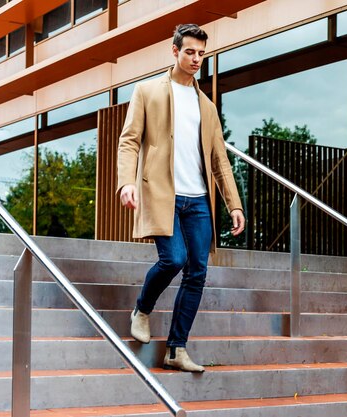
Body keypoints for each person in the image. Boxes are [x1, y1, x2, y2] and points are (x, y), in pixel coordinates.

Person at [116, 23, 245, 372]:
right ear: (175, 51)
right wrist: (126, 182)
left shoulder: (207, 105)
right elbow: (129, 140)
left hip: (199, 200)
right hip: (164, 195)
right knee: (173, 259)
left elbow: (219, 159)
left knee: (198, 271)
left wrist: (234, 203)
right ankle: (142, 308)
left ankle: (176, 348)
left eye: (201, 54)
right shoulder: (147, 92)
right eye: (190, 51)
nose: (196, 59)